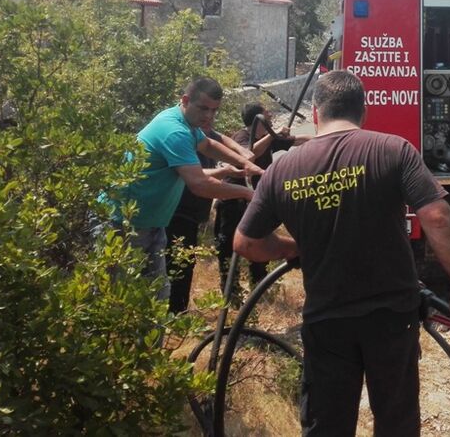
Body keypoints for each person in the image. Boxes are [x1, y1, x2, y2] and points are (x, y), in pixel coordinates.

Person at [234, 70, 450, 437]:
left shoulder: (282, 169)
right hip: (391, 315)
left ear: (317, 114)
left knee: (328, 424)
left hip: (327, 318)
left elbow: (246, 244)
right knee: (396, 421)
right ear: (363, 112)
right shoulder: (392, 149)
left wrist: (296, 247)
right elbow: (437, 217)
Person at [113, 76, 262, 303]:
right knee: (115, 298)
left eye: (214, 111)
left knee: (157, 298)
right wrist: (248, 193)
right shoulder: (175, 131)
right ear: (185, 100)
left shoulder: (188, 125)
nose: (209, 116)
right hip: (122, 222)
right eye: (203, 108)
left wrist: (246, 164)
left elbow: (209, 145)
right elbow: (199, 184)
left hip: (151, 223)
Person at [214, 103, 311, 297]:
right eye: (266, 114)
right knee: (227, 247)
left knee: (259, 241)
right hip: (233, 201)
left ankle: (259, 288)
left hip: (255, 201)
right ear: (258, 118)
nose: (270, 115)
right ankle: (230, 293)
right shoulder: (241, 137)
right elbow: (249, 153)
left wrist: (322, 138)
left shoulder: (269, 140)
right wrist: (271, 134)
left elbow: (299, 140)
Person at [165, 123, 252, 314]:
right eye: (205, 112)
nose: (210, 119)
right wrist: (230, 177)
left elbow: (221, 138)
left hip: (193, 213)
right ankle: (174, 314)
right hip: (179, 211)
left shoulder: (204, 132)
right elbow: (197, 177)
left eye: (213, 113)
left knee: (186, 262)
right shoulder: (183, 137)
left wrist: (241, 152)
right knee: (178, 264)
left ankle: (178, 312)